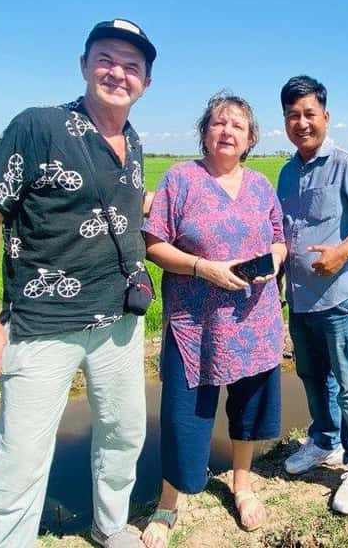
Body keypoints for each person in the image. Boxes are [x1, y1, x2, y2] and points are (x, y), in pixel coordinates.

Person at [0, 18, 156, 548]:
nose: (118, 73)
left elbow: (109, 203)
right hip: (44, 324)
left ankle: (110, 526)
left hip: (119, 318)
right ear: (84, 64)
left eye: (132, 66)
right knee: (21, 456)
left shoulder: (132, 141)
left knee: (123, 434)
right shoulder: (38, 125)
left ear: (146, 83)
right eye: (107, 60)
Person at [140, 92, 286, 547]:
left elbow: (280, 237)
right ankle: (168, 503)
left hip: (254, 319)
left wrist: (274, 260)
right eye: (219, 123)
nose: (228, 131)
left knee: (249, 408)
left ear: (250, 139)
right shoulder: (180, 179)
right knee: (185, 415)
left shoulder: (261, 185)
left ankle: (242, 484)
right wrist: (204, 268)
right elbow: (154, 243)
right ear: (205, 131)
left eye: (238, 126)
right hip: (195, 325)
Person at [276, 75, 348, 515]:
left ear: (325, 116)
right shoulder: (286, 173)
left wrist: (343, 252)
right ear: (284, 121)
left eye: (309, 114)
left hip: (341, 296)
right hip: (301, 298)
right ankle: (324, 440)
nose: (302, 122)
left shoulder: (347, 164)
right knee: (311, 376)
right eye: (293, 115)